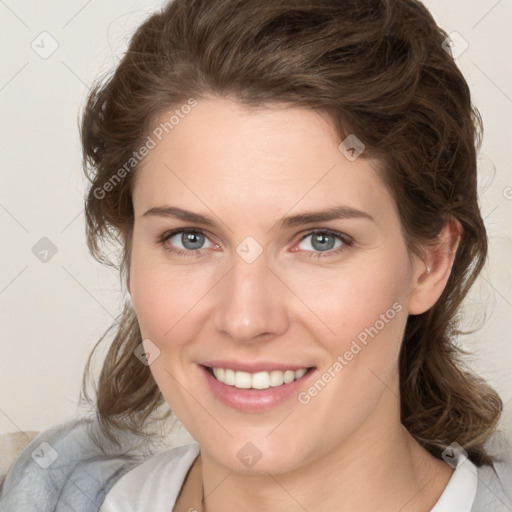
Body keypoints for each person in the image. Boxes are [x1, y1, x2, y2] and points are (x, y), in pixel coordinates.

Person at [1, 0, 511, 511]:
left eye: (320, 240)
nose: (245, 319)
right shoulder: (47, 493)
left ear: (431, 262)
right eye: (190, 238)